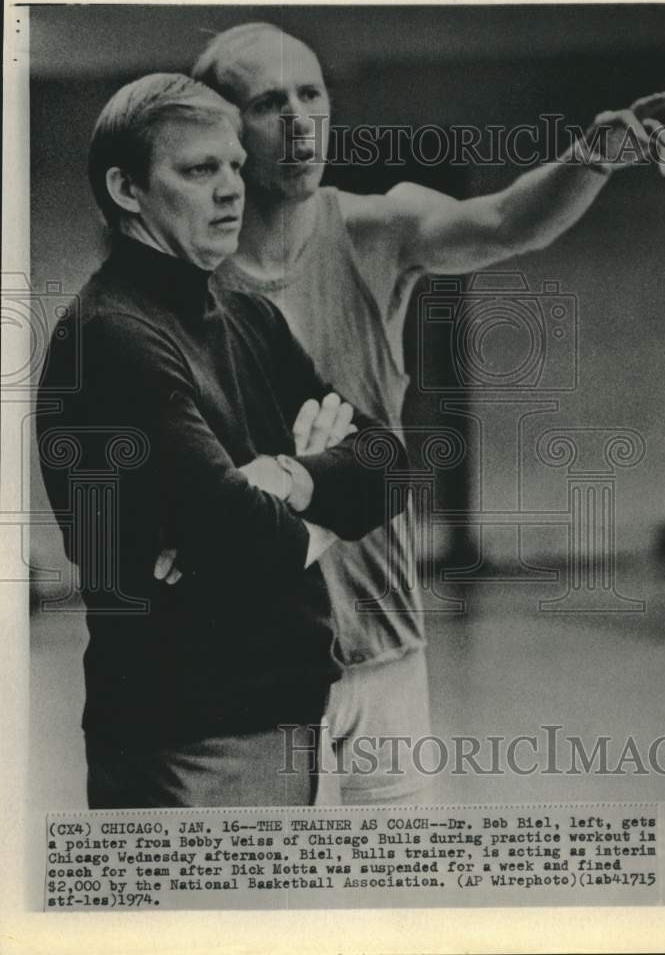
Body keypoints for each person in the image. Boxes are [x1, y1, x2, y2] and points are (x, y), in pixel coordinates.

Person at [180, 23, 665, 805]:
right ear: (219, 128)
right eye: (270, 102)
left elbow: (504, 223)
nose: (301, 121)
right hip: (249, 660)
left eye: (312, 94)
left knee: (399, 904)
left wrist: (588, 159)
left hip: (384, 649)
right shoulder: (176, 272)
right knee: (260, 909)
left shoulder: (378, 227)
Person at [36, 72, 405, 809]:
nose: (232, 189)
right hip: (189, 734)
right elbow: (246, 537)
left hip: (278, 715)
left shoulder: (245, 314)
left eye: (235, 165)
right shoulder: (113, 336)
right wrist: (295, 495)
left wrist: (284, 481)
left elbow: (388, 464)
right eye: (199, 170)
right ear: (127, 187)